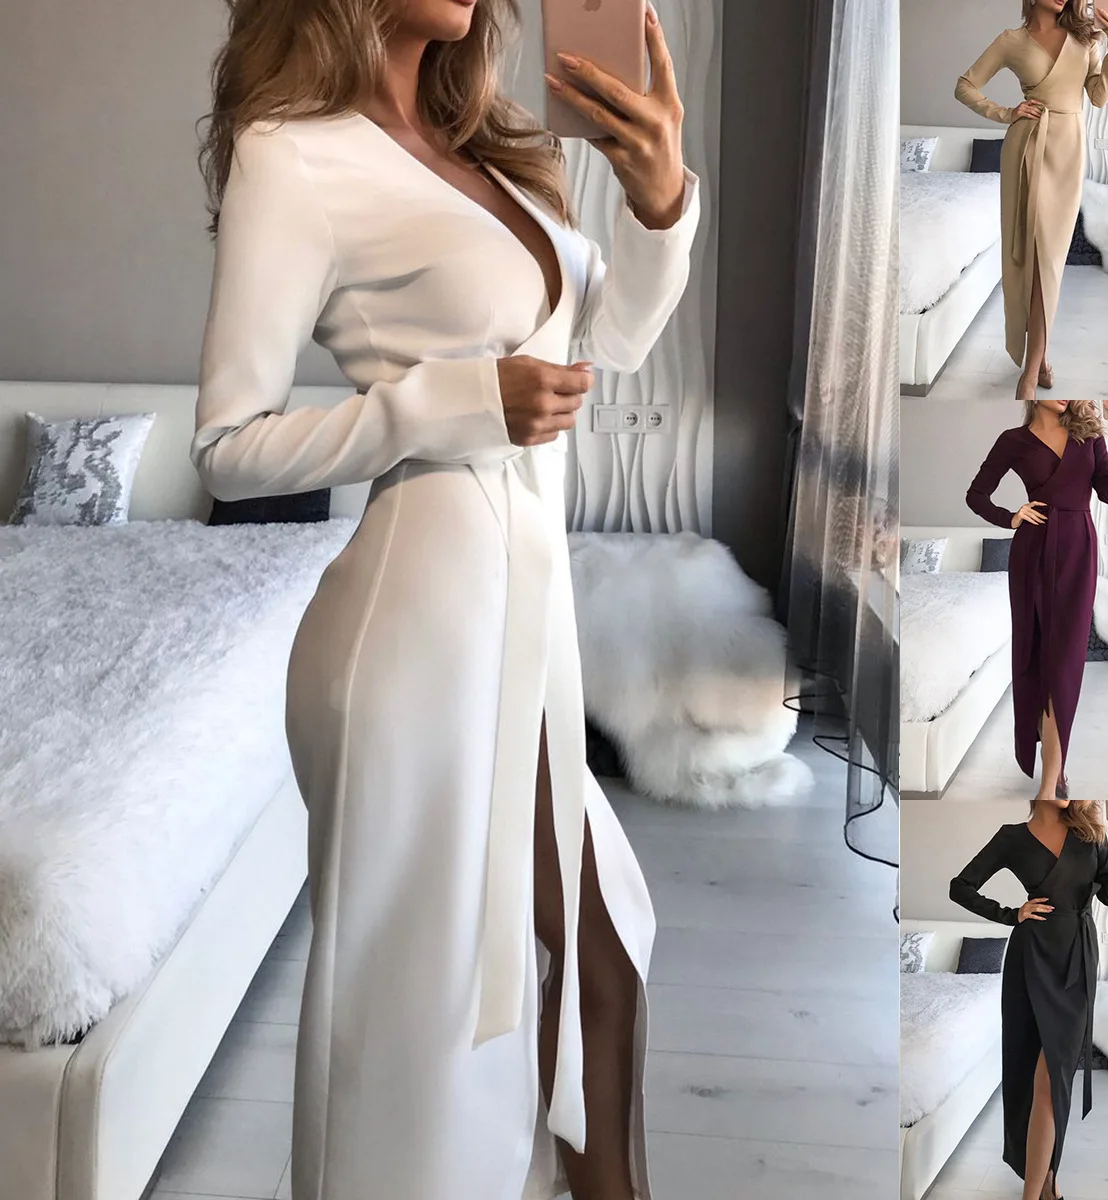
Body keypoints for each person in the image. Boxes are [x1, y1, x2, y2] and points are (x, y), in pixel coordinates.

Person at [191, 2, 700, 1198]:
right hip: (415, 635)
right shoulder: (291, 152)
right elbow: (226, 445)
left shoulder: (486, 146)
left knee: (603, 959)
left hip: (523, 622)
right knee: (423, 1036)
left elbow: (610, 341)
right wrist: (452, 402)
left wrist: (659, 203)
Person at [950, 797, 1108, 1200]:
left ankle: (1035, 1190)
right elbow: (960, 887)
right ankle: (1045, 1184)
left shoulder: (1089, 832)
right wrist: (1011, 914)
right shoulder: (1012, 838)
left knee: (1053, 1080)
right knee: (1028, 1076)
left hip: (1076, 962)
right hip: (1030, 960)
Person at [965, 399, 1108, 801]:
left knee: (1065, 662)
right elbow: (976, 495)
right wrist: (1010, 517)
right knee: (1036, 656)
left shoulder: (1088, 434)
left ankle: (1051, 778)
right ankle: (1053, 767)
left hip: (1077, 550)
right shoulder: (1013, 440)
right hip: (1033, 551)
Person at [955, 0, 1108, 400]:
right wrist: (1006, 113)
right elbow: (964, 86)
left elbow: (1099, 97)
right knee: (1027, 258)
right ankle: (1039, 363)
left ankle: (1033, 368)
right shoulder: (1011, 41)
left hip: (1067, 152)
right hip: (1025, 148)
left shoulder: (1085, 38)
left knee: (1048, 261)